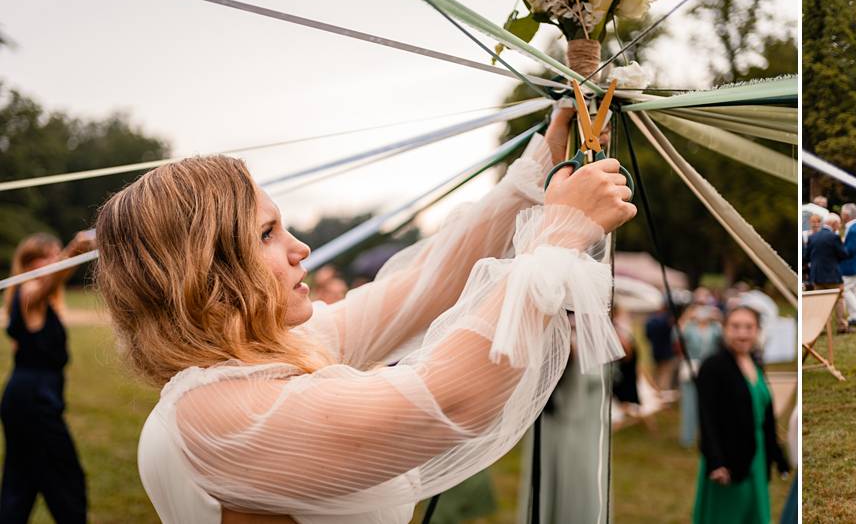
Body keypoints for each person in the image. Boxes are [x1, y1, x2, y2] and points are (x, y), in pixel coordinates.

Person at [97, 102, 636, 522]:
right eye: (266, 233)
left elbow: (420, 288)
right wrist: (557, 238)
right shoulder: (217, 415)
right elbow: (450, 396)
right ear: (205, 273)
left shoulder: (260, 360)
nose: (300, 248)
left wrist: (543, 162)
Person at [2, 232, 94, 523]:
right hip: (35, 401)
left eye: (58, 253)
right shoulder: (29, 292)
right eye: (49, 255)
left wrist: (67, 257)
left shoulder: (30, 299)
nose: (55, 260)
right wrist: (73, 250)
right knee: (66, 481)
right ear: (30, 264)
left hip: (24, 398)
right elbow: (48, 282)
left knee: (21, 483)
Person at [692, 305, 790, 524]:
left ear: (757, 331)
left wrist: (777, 455)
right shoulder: (713, 366)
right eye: (735, 327)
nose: (742, 333)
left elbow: (766, 417)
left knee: (754, 515)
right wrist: (716, 461)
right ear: (725, 329)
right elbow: (707, 419)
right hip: (727, 458)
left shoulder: (755, 364)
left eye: (749, 327)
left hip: (756, 455)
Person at [678, 304, 723, 448]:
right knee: (689, 404)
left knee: (711, 404)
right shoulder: (689, 327)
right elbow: (676, 335)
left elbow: (725, 338)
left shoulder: (715, 328)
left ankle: (708, 437)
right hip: (691, 368)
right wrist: (686, 317)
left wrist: (719, 318)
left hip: (710, 369)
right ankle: (688, 438)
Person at [803, 213, 849, 331]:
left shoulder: (813, 237)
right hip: (832, 274)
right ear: (834, 224)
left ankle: (821, 327)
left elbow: (806, 257)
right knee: (838, 300)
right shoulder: (834, 237)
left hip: (817, 275)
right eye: (838, 224)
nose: (839, 226)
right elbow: (843, 254)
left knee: (820, 302)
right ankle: (842, 325)